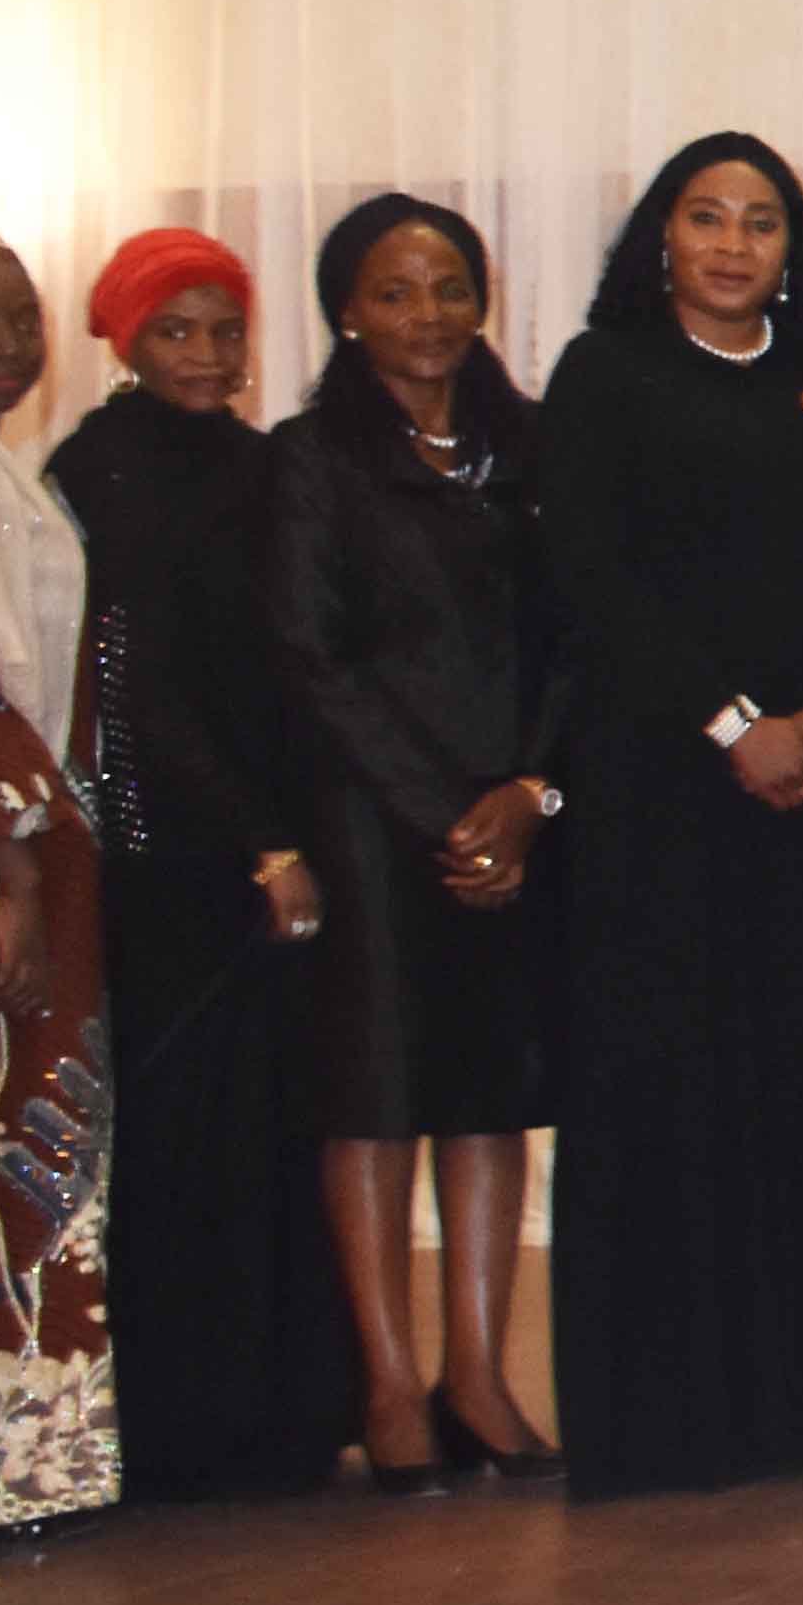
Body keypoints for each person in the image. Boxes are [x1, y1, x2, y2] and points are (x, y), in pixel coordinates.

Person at [534, 135, 803, 1495]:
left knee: (797, 1067)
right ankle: (673, 1427)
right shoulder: (605, 377)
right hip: (657, 790)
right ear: (661, 235)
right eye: (706, 217)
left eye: (761, 222)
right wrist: (729, 723)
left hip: (801, 791)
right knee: (665, 1074)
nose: (733, 244)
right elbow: (587, 579)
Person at [260, 195, 559, 1492]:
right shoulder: (312, 457)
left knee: (490, 1100)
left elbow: (576, 638)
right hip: (379, 830)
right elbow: (307, 658)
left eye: (448, 288)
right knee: (378, 1104)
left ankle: (479, 1375)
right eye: (394, 293)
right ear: (345, 309)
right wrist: (447, 812)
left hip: (516, 821)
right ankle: (391, 1381)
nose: (426, 317)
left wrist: (528, 794)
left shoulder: (534, 446)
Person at [44, 231, 345, 1498]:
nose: (209, 355)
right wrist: (255, 839)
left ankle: (283, 1415)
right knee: (183, 1132)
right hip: (172, 852)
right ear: (123, 339)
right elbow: (134, 687)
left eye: (228, 330)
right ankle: (181, 1431)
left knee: (280, 1124)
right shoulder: (99, 468)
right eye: (179, 330)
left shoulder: (262, 461)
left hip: (276, 831)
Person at [0, 222, 118, 1538]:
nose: (4, 345)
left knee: (24, 1157)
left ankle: (22, 1459)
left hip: (21, 836)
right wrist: (10, 867)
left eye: (19, 317)